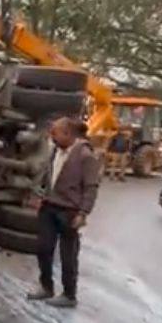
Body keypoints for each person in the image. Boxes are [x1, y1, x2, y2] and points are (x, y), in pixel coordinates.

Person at [28, 117, 100, 309]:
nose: (52, 136)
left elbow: (91, 188)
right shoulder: (55, 151)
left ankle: (69, 295)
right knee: (43, 249)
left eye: (56, 133)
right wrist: (39, 194)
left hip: (69, 211)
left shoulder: (86, 156)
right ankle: (46, 287)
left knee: (68, 255)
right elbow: (48, 176)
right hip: (49, 207)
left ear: (68, 134)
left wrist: (83, 213)